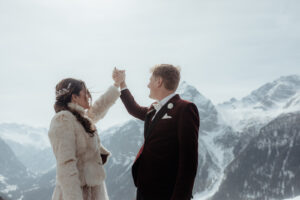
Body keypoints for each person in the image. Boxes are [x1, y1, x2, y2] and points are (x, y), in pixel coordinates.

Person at [114, 64, 200, 200]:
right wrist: (122, 83)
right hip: (145, 189)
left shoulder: (185, 109)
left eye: (150, 80)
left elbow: (189, 161)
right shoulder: (153, 109)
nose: (148, 85)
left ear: (159, 81)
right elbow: (134, 109)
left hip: (166, 192)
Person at [48, 72, 124, 200]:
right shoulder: (63, 120)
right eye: (85, 92)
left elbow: (99, 108)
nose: (89, 96)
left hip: (94, 191)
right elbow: (66, 165)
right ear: (74, 97)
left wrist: (117, 84)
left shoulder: (81, 118)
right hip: (77, 194)